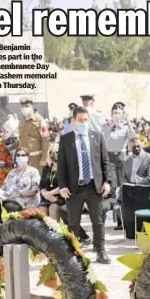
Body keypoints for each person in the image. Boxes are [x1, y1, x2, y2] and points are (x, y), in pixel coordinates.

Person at [57, 107, 113, 264]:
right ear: (74, 120)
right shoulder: (66, 139)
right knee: (73, 222)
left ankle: (100, 251)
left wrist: (107, 182)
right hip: (74, 188)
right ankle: (73, 252)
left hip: (94, 186)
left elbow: (105, 162)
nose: (83, 123)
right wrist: (62, 186)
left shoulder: (97, 137)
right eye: (80, 120)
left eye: (86, 120)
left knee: (98, 221)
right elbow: (61, 166)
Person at [0, 147, 41, 223]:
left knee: (8, 207)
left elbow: (34, 191)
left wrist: (17, 195)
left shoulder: (33, 171)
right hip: (8, 199)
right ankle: (0, 228)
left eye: (23, 155)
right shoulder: (12, 172)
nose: (20, 157)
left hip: (24, 201)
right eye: (18, 155)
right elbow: (4, 187)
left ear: (28, 158)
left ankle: (9, 229)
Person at [104, 101, 135, 197]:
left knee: (122, 180)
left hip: (121, 156)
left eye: (119, 113)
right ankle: (112, 202)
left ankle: (121, 201)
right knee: (112, 180)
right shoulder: (106, 125)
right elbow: (103, 139)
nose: (116, 115)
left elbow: (132, 137)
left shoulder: (125, 126)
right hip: (109, 156)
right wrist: (111, 126)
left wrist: (129, 122)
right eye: (114, 113)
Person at [18, 98, 50, 170]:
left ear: (32, 107)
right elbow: (21, 139)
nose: (24, 108)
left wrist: (44, 158)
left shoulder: (39, 120)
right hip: (22, 159)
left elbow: (45, 140)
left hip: (36, 158)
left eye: (27, 106)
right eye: (22, 107)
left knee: (36, 180)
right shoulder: (21, 122)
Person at [38, 144, 66, 221]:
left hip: (60, 197)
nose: (54, 155)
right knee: (41, 211)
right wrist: (46, 195)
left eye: (57, 152)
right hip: (46, 198)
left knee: (53, 208)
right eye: (51, 152)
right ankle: (44, 233)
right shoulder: (46, 168)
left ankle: (55, 232)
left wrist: (50, 194)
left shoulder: (65, 168)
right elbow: (41, 185)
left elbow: (63, 185)